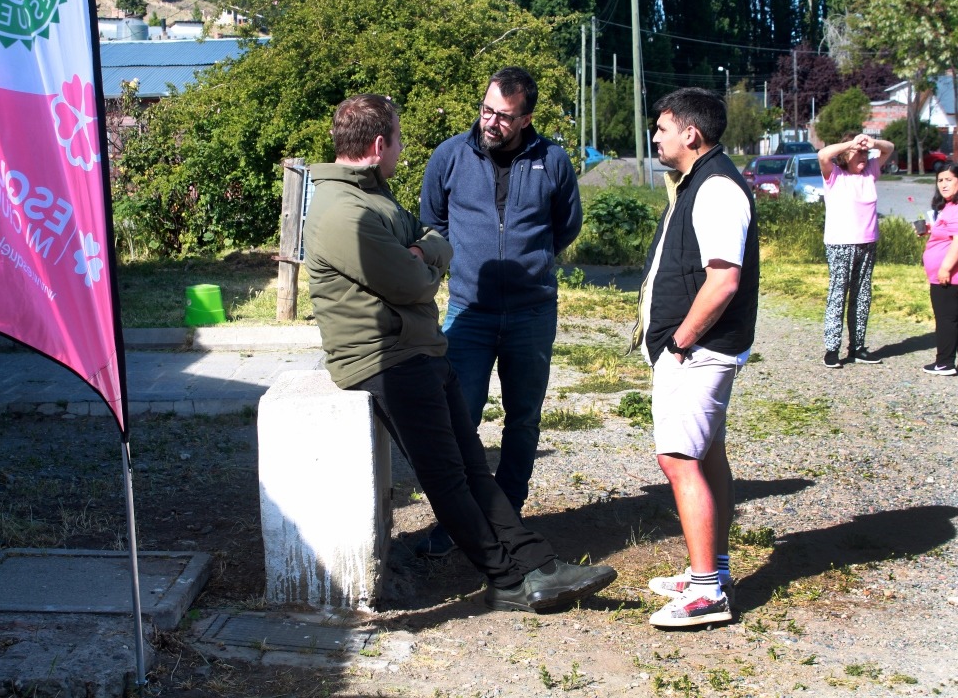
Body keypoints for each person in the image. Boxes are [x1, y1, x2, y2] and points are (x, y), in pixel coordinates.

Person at [304, 93, 616, 612]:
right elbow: (414, 284)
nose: (402, 150)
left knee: (472, 467)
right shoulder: (343, 213)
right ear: (379, 145)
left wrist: (426, 250)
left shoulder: (371, 198)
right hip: (385, 360)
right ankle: (508, 583)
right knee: (446, 476)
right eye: (399, 141)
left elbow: (427, 240)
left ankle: (537, 564)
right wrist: (426, 256)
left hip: (419, 351)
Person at [419, 67, 582, 556]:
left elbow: (565, 226)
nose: (491, 122)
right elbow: (433, 222)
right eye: (486, 110)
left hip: (532, 314)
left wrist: (527, 263)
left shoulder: (552, 160)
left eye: (504, 116)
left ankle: (507, 513)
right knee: (458, 417)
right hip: (469, 311)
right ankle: (458, 520)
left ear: (526, 117)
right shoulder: (449, 156)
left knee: (524, 417)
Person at [632, 88, 759, 627]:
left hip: (699, 352)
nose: (654, 135)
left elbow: (724, 280)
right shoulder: (696, 183)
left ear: (691, 133)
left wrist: (681, 341)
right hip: (695, 351)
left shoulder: (717, 189)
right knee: (705, 455)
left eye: (662, 127)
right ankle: (712, 569)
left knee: (679, 458)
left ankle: (706, 593)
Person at [817, 132, 895, 368]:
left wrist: (872, 143)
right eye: (858, 153)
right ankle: (832, 349)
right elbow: (822, 154)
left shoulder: (870, 171)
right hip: (841, 243)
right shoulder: (835, 175)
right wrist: (851, 143)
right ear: (845, 155)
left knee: (862, 296)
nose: (863, 156)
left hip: (867, 242)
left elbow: (889, 148)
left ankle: (857, 346)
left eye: (865, 153)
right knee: (838, 295)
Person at [920, 163, 958, 376]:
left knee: (947, 319)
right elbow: (953, 230)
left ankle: (945, 363)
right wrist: (932, 229)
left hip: (955, 275)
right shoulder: (955, 204)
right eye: (940, 180)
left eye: (949, 179)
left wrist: (945, 268)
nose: (944, 184)